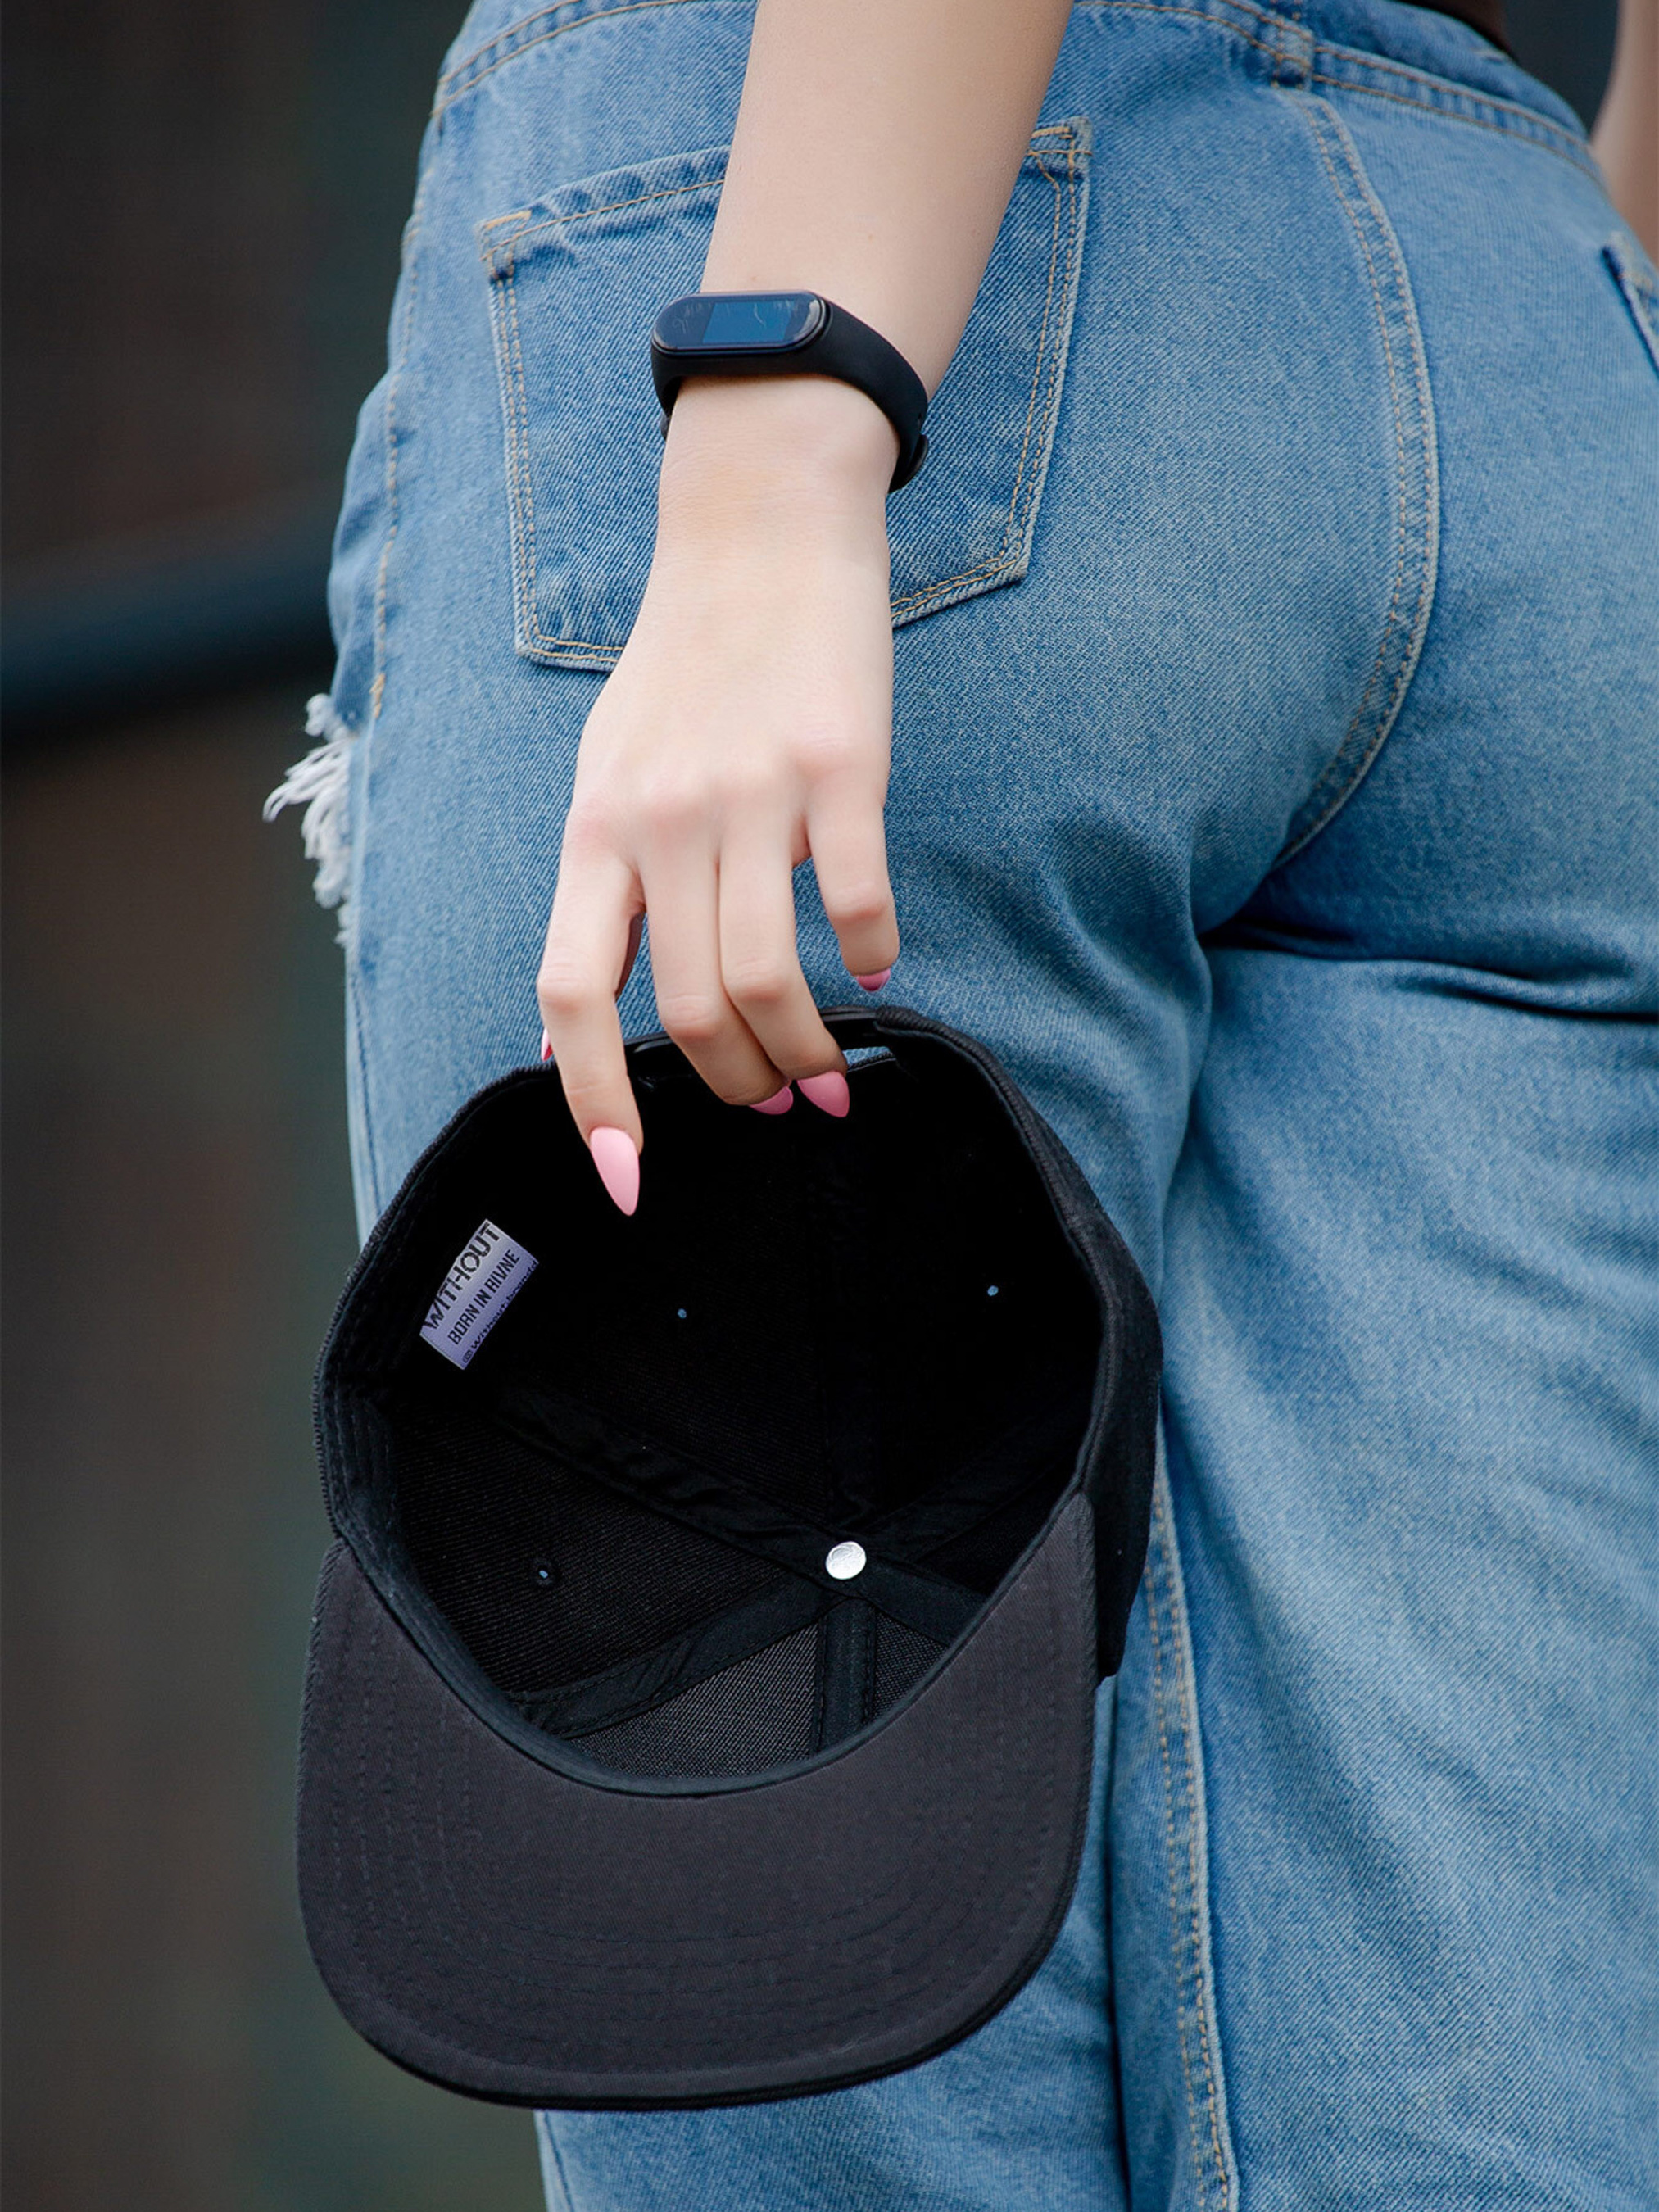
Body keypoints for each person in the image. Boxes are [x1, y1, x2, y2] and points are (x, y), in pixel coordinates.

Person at [270, 0, 1657, 2202]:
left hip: (848, 248)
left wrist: (786, 405)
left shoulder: (808, 374)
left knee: (771, 2002)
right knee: (1477, 2098)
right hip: (1542, 349)